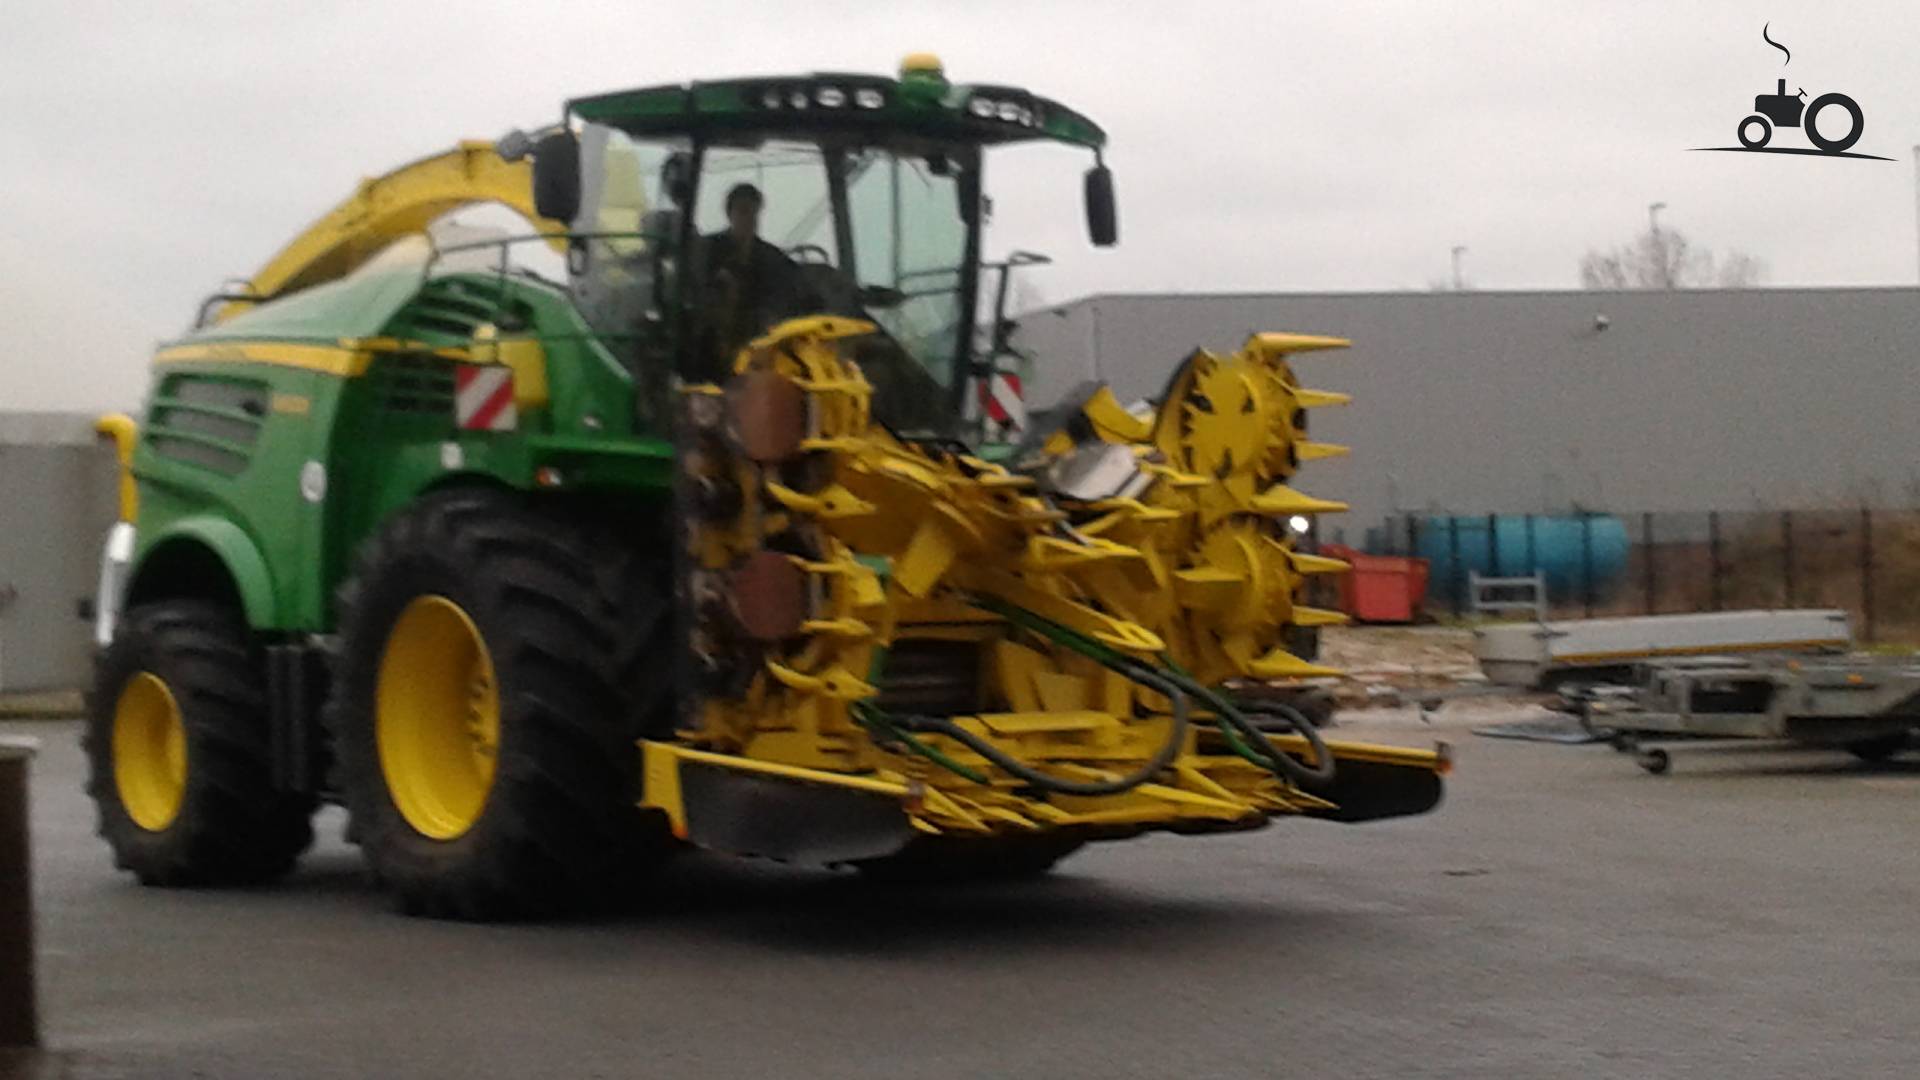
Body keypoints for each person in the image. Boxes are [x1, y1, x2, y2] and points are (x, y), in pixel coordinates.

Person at [695, 183, 801, 376]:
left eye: (753, 213)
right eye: (743, 211)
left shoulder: (771, 257)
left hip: (758, 337)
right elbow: (697, 290)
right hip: (710, 339)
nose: (749, 219)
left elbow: (787, 291)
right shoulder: (706, 250)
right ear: (729, 214)